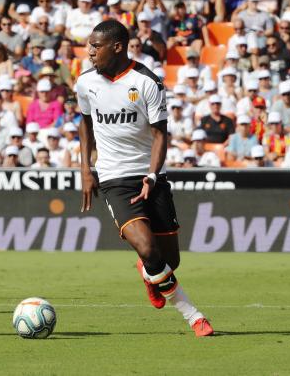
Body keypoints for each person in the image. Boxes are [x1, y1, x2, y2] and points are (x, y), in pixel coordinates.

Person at [76, 19, 213, 337]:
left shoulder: (148, 82)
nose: (89, 52)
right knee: (149, 250)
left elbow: (160, 136)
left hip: (151, 176)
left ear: (117, 47)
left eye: (96, 46)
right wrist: (86, 169)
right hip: (114, 178)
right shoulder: (85, 83)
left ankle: (149, 273)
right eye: (89, 46)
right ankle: (194, 316)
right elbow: (84, 125)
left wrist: (152, 175)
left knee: (168, 262)